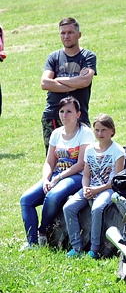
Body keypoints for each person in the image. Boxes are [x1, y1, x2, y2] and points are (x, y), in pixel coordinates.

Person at [20, 97, 92, 250]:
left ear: (78, 114)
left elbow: (81, 164)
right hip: (56, 175)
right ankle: (32, 243)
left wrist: (57, 178)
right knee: (26, 199)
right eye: (61, 111)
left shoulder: (85, 133)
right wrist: (46, 179)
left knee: (53, 196)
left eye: (69, 112)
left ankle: (43, 231)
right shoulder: (56, 133)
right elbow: (49, 162)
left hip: (77, 176)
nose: (64, 115)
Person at [62, 114, 126, 258]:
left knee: (97, 208)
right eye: (97, 130)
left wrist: (97, 190)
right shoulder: (90, 150)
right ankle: (76, 246)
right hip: (90, 187)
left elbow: (116, 180)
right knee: (69, 207)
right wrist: (85, 188)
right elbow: (86, 175)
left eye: (104, 130)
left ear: (112, 131)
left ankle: (95, 249)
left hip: (108, 189)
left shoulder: (118, 151)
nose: (99, 133)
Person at [40, 18, 97, 151]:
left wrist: (58, 79)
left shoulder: (88, 57)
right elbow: (44, 83)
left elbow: (84, 81)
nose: (66, 36)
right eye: (63, 33)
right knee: (54, 159)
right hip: (53, 115)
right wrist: (74, 82)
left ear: (79, 35)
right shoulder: (53, 57)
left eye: (70, 32)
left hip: (79, 114)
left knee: (82, 159)